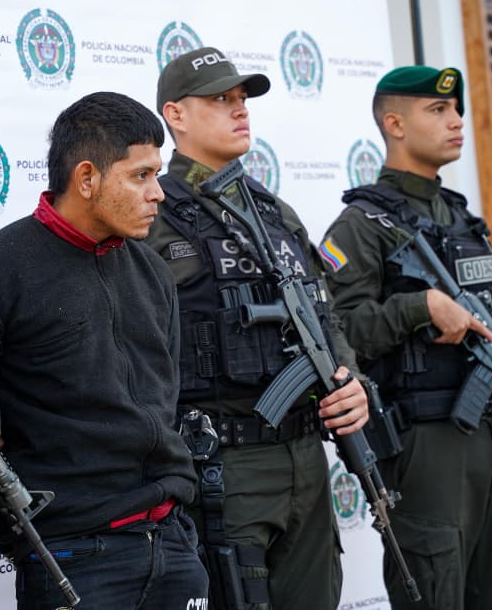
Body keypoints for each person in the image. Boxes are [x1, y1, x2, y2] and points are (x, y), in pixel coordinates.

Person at [318, 65, 492, 610]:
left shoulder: (460, 218)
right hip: (428, 441)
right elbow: (337, 328)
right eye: (438, 111)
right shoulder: (359, 226)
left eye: (456, 110)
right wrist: (416, 307)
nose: (456, 122)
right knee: (436, 587)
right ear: (394, 124)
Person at [0, 91, 208, 610]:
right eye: (140, 175)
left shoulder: (152, 270)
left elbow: (168, 399)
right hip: (74, 557)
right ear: (88, 177)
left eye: (156, 174)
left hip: (175, 543)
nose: (158, 193)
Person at [144, 47, 370, 610]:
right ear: (175, 115)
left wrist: (352, 381)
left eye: (242, 99)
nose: (239, 110)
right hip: (223, 464)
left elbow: (324, 312)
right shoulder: (152, 212)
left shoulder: (274, 212)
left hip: (305, 459)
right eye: (221, 99)